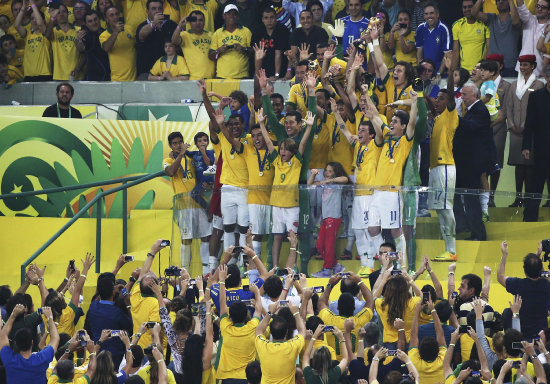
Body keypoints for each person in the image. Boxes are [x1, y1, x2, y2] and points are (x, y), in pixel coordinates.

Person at [261, 108, 314, 268]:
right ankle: (276, 267)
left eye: (285, 149)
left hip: (293, 206)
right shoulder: (277, 161)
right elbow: (269, 143)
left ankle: (292, 266)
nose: (282, 151)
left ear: (292, 152)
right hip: (277, 205)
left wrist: (309, 127)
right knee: (276, 236)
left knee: (292, 236)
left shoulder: (297, 161)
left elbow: (303, 143)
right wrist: (261, 124)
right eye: (281, 149)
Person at [164, 132, 211, 272]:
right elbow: (171, 172)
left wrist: (208, 184)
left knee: (206, 237)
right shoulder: (168, 159)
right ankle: (185, 273)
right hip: (183, 206)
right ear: (170, 146)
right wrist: (180, 154)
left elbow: (203, 171)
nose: (178, 145)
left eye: (180, 142)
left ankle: (206, 272)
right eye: (175, 143)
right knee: (186, 239)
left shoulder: (191, 158)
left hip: (199, 203)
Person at [503, 54, 544, 208]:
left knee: (530, 165)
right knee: (518, 166)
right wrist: (512, 125)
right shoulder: (513, 85)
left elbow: (537, 110)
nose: (523, 68)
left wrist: (527, 127)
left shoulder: (539, 84)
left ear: (533, 66)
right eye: (521, 65)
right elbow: (508, 107)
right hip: (515, 131)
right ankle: (518, 197)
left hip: (531, 132)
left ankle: (529, 198)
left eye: (526, 65)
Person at [452, 82, 489, 241]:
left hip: (472, 164)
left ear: (474, 95)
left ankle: (478, 233)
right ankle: (463, 225)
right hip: (465, 163)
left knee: (471, 199)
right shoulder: (473, 110)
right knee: (460, 196)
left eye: (464, 95)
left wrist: (455, 117)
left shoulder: (480, 110)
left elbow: (471, 127)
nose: (462, 98)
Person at [215, 264, 263, 382]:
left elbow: (222, 305)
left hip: (227, 378)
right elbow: (258, 310)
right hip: (246, 378)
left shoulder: (225, 327)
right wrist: (257, 293)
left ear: (229, 315)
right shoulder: (252, 327)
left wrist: (221, 281)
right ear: (246, 314)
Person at [497, 241, 550, 339]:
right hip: (542, 337)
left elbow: (500, 277)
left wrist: (504, 255)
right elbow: (546, 275)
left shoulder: (517, 284)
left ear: (524, 270)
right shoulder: (546, 285)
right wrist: (537, 258)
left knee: (507, 312)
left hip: (522, 336)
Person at [318, 273, 373, 358]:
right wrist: (360, 281)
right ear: (354, 308)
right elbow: (370, 301)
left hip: (334, 363)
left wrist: (330, 284)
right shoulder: (359, 321)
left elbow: (321, 303)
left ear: (338, 307)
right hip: (353, 363)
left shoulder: (330, 320)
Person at [0, 304, 59, 384]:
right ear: (32, 342)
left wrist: (13, 316)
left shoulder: (9, 359)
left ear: (15, 343)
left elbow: (3, 336)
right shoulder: (42, 359)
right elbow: (55, 339)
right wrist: (50, 318)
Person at [308, 163, 349, 277]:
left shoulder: (337, 184)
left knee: (329, 245)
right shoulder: (323, 184)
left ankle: (327, 269)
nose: (327, 173)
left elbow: (345, 179)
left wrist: (329, 180)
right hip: (325, 219)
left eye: (330, 171)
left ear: (335, 172)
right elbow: (310, 183)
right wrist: (313, 174)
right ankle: (336, 265)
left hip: (334, 217)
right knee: (320, 246)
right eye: (326, 170)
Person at [521, 65, 550, 222]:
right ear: (546, 77)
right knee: (536, 184)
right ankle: (530, 217)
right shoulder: (536, 96)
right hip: (541, 147)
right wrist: (526, 146)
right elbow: (529, 123)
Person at [255, 300, 306, 384]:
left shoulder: (263, 346)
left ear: (270, 331)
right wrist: (296, 313)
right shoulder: (292, 346)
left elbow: (259, 330)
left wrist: (270, 313)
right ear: (286, 331)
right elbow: (302, 331)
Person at [130, 240, 168, 349]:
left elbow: (142, 274)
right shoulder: (156, 304)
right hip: (151, 352)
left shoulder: (135, 296)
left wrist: (153, 252)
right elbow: (154, 332)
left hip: (136, 347)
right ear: (157, 287)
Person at [471, 0, 521, 77]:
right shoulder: (492, 18)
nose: (500, 1)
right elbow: (474, 13)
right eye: (498, 0)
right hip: (492, 65)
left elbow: (516, 22)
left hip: (510, 65)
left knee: (508, 88)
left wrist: (511, 2)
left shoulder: (514, 18)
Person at [408, 298, 447, 383]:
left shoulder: (414, 361)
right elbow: (440, 334)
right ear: (438, 351)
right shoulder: (443, 360)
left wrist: (416, 313)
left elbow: (413, 336)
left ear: (419, 352)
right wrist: (433, 310)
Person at [135, 0, 177, 79]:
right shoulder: (142, 26)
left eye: (159, 8)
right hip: (146, 73)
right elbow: (141, 35)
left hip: (169, 72)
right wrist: (154, 23)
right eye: (153, 9)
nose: (157, 11)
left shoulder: (171, 24)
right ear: (147, 11)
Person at [209, 4, 252, 79]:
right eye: (229, 13)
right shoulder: (217, 33)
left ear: (238, 16)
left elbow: (253, 53)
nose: (232, 16)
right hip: (222, 76)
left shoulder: (246, 31)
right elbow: (211, 56)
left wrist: (243, 49)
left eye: (234, 14)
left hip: (242, 76)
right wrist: (219, 51)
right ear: (224, 16)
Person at [171, 11, 214, 80]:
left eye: (200, 20)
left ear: (204, 22)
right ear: (190, 22)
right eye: (194, 20)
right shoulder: (185, 35)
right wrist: (179, 26)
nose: (198, 23)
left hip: (211, 78)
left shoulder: (211, 35)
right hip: (193, 79)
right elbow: (174, 41)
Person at [14, 1, 51, 81]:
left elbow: (40, 24)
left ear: (44, 21)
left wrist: (33, 4)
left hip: (44, 74)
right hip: (28, 74)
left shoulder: (46, 34)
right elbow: (16, 25)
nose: (34, 21)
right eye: (32, 19)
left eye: (36, 18)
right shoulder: (28, 35)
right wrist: (23, 7)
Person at [512, 0, 549, 76]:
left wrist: (543, 70)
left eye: (543, 7)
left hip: (540, 71)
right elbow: (521, 7)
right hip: (522, 68)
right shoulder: (529, 19)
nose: (539, 9)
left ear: (549, 11)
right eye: (538, 6)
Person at [451, 0, 490, 73]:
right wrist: (452, 72)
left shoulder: (484, 24)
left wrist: (484, 68)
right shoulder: (457, 25)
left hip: (480, 71)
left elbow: (489, 48)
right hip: (463, 72)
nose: (467, 9)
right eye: (464, 7)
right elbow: (456, 51)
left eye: (470, 7)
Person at [99, 6, 136, 81]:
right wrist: (116, 32)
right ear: (107, 19)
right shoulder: (104, 35)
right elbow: (106, 48)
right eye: (111, 15)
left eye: (116, 14)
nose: (115, 17)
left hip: (134, 79)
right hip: (117, 80)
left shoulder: (129, 29)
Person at [251, 7, 289, 79]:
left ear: (276, 18)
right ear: (262, 19)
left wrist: (276, 75)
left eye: (272, 17)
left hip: (280, 71)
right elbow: (256, 54)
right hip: (261, 69)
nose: (269, 20)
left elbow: (278, 53)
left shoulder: (282, 30)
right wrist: (258, 75)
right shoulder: (257, 31)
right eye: (266, 18)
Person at [415, 2, 451, 75]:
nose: (429, 16)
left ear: (437, 14)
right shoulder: (420, 28)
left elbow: (447, 54)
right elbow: (419, 52)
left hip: (439, 72)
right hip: (425, 72)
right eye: (426, 14)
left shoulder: (444, 29)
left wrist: (439, 73)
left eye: (431, 13)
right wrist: (420, 71)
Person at [46, 3, 80, 81]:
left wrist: (78, 68)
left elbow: (83, 53)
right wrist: (52, 18)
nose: (61, 14)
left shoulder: (78, 30)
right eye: (58, 12)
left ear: (68, 13)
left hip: (76, 75)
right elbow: (47, 35)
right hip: (58, 76)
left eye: (64, 11)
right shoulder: (53, 31)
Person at [76, 10, 110, 81]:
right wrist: (79, 40)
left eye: (95, 19)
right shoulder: (86, 35)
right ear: (86, 24)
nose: (94, 23)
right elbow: (81, 49)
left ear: (99, 19)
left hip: (109, 76)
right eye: (90, 21)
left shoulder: (107, 33)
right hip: (93, 78)